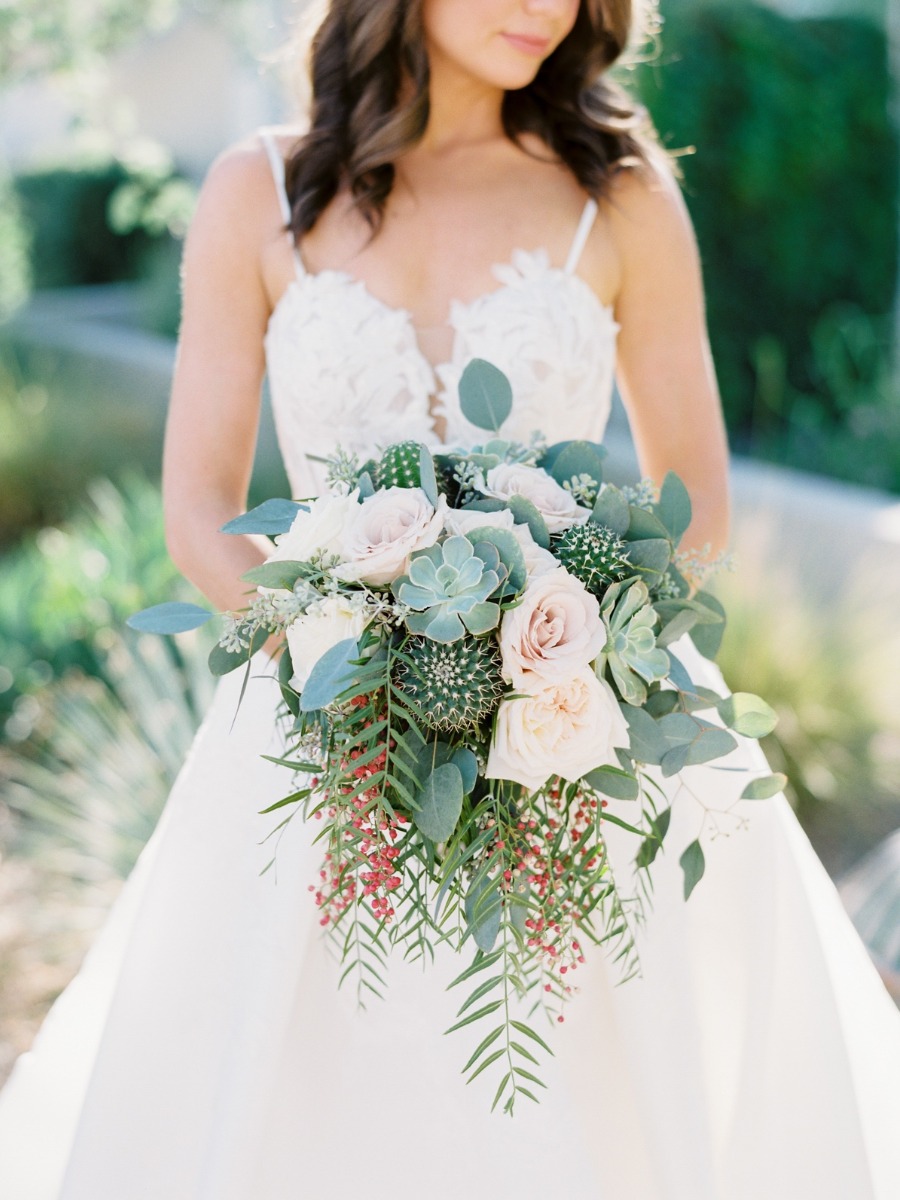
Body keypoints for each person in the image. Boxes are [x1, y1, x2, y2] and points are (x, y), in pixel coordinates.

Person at [2, 1, 900, 1197]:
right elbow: (200, 507)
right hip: (321, 723)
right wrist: (345, 653)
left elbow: (697, 513)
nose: (553, 9)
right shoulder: (255, 190)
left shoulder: (619, 193)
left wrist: (553, 667)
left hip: (580, 727)